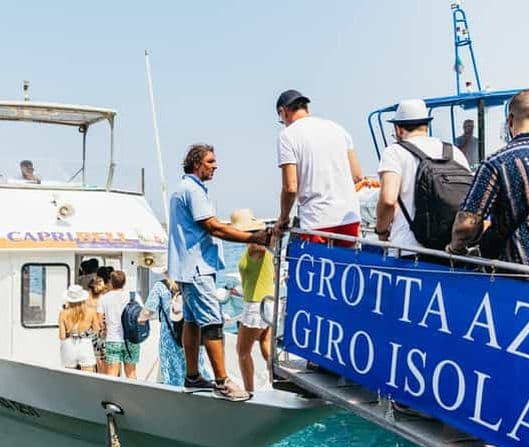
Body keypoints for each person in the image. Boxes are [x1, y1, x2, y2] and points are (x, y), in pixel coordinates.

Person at [168, 143, 270, 401]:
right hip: (198, 267)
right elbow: (214, 227)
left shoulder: (184, 189)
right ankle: (223, 381)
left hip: (186, 268)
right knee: (213, 323)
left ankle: (192, 377)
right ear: (197, 163)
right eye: (211, 161)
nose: (215, 166)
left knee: (191, 322)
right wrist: (252, 237)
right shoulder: (193, 190)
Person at [449, 90, 529, 267]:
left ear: (510, 121)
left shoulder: (498, 162)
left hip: (521, 276)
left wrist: (456, 250)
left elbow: (466, 225)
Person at [375, 99, 470, 254]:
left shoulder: (394, 152)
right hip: (450, 251)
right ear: (426, 125)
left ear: (398, 129)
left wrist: (381, 232)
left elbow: (388, 201)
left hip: (408, 250)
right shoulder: (453, 151)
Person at [273, 89, 363, 246]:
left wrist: (283, 218)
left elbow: (290, 187)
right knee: (345, 269)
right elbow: (357, 176)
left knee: (316, 269)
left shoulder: (287, 135)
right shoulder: (339, 129)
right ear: (306, 108)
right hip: (349, 218)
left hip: (318, 220)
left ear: (283, 112)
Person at [138, 268, 213, 386]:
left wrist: (140, 319)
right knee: (195, 370)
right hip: (193, 336)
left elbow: (148, 311)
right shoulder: (191, 284)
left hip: (170, 341)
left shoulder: (160, 286)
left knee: (173, 377)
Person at [231, 209, 274, 392]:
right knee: (265, 343)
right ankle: (277, 381)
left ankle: (250, 391)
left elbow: (268, 241)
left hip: (256, 305)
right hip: (268, 302)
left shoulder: (257, 246)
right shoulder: (255, 246)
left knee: (242, 351)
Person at [98, 270, 141, 379]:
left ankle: (113, 396)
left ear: (110, 282)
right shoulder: (134, 296)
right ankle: (133, 396)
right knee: (131, 373)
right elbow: (141, 315)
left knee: (112, 374)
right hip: (131, 340)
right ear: (124, 282)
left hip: (112, 339)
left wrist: (104, 329)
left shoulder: (104, 298)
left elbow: (99, 322)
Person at [58, 285, 99, 372]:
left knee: (69, 377)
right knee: (88, 377)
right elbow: (96, 329)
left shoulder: (63, 313)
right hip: (85, 343)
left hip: (69, 345)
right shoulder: (91, 311)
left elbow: (62, 336)